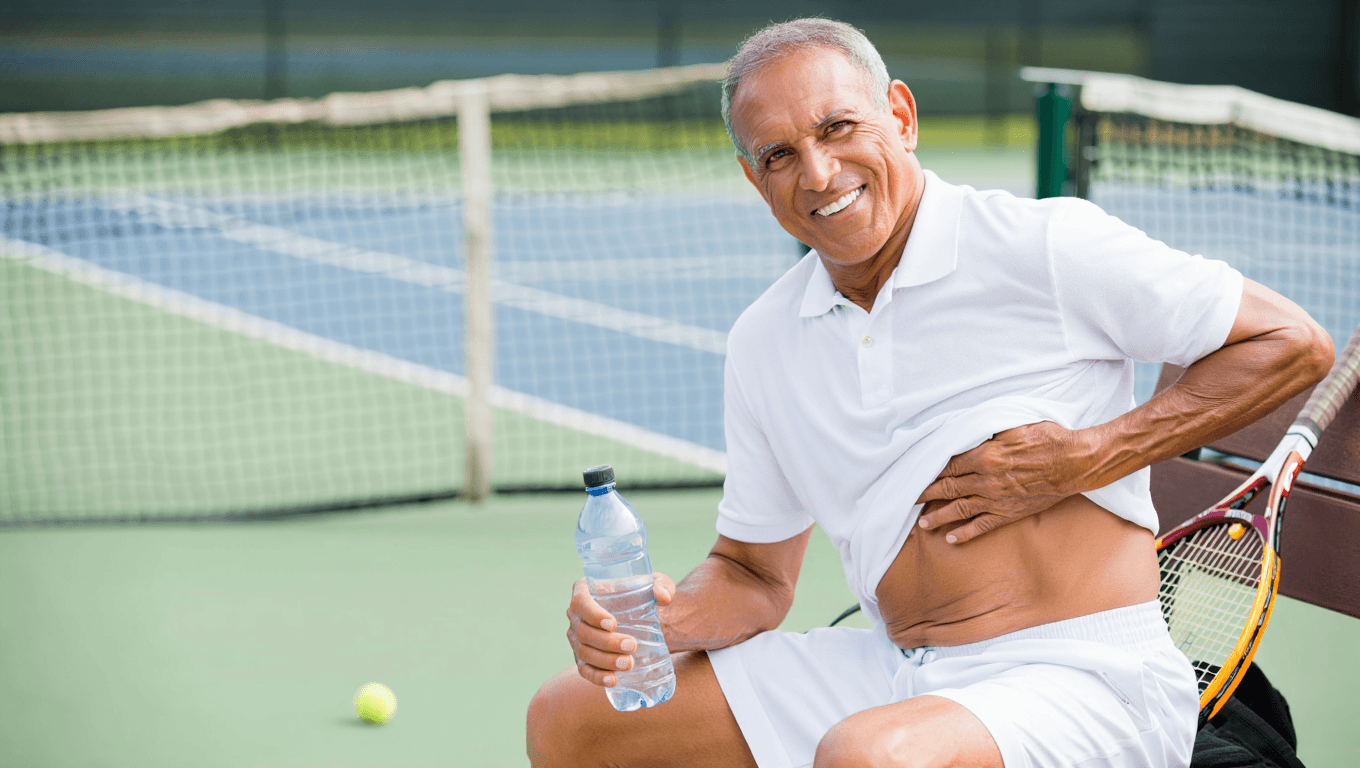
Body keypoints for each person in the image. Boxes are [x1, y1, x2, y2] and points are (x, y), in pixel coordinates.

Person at [526, 17, 1333, 768]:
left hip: (1087, 676)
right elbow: (753, 575)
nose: (817, 172)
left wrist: (1082, 457)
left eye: (838, 128)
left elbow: (1292, 343)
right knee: (572, 717)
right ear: (753, 177)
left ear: (902, 118)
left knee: (867, 756)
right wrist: (663, 623)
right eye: (777, 155)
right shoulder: (764, 341)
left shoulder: (1042, 246)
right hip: (897, 669)